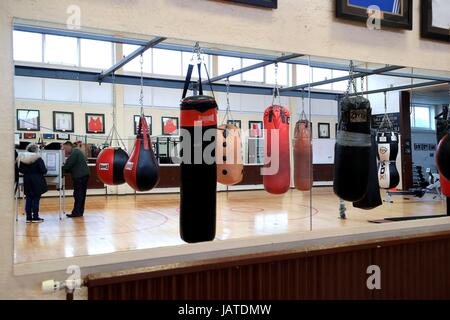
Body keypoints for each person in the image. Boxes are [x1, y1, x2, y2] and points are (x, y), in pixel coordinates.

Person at [18, 144, 48, 223]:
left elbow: (20, 170)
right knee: (35, 198)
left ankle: (28, 217)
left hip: (27, 179)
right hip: (37, 179)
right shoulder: (38, 158)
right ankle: (35, 217)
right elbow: (43, 170)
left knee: (28, 198)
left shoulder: (23, 158)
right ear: (36, 150)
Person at [62, 141, 90, 218]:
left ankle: (77, 212)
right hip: (83, 176)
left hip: (80, 177)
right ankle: (79, 212)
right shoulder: (76, 151)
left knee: (78, 194)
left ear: (68, 146)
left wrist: (62, 169)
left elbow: (68, 165)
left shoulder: (75, 152)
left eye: (65, 148)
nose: (64, 150)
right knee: (81, 194)